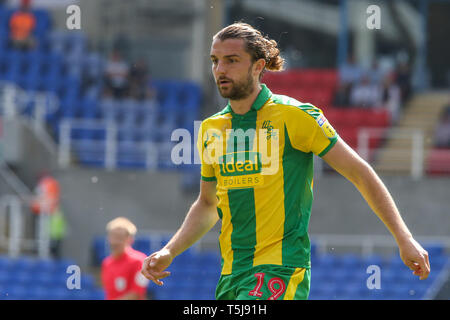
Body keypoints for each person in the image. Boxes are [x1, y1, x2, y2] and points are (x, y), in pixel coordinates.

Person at [141, 22, 430, 300]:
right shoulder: (211, 130)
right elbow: (208, 204)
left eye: (231, 60)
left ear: (258, 66)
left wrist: (404, 238)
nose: (220, 69)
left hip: (281, 267)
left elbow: (359, 172)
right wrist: (170, 250)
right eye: (215, 60)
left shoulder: (296, 116)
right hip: (231, 273)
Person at [101, 217, 149, 300]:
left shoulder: (139, 261)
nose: (115, 242)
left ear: (130, 239)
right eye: (113, 236)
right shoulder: (106, 263)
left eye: (120, 237)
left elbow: (136, 294)